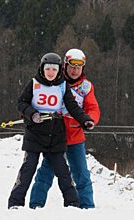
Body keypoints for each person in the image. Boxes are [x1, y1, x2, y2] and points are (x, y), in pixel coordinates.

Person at [8, 52, 95, 209]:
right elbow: (21, 103)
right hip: (35, 134)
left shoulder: (62, 86)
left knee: (63, 173)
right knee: (28, 170)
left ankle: (73, 204)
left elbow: (73, 107)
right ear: (42, 69)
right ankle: (16, 203)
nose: (50, 72)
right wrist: (32, 114)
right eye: (48, 69)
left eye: (54, 69)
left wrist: (86, 120)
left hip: (55, 135)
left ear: (58, 70)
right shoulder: (34, 83)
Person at [29, 49, 100, 209]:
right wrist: (32, 114)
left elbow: (93, 108)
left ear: (83, 68)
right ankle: (35, 206)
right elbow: (36, 100)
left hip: (75, 136)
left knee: (81, 174)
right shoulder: (54, 82)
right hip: (54, 136)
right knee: (45, 174)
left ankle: (87, 207)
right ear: (65, 66)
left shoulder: (86, 87)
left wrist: (89, 120)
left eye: (78, 67)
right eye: (71, 67)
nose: (75, 71)